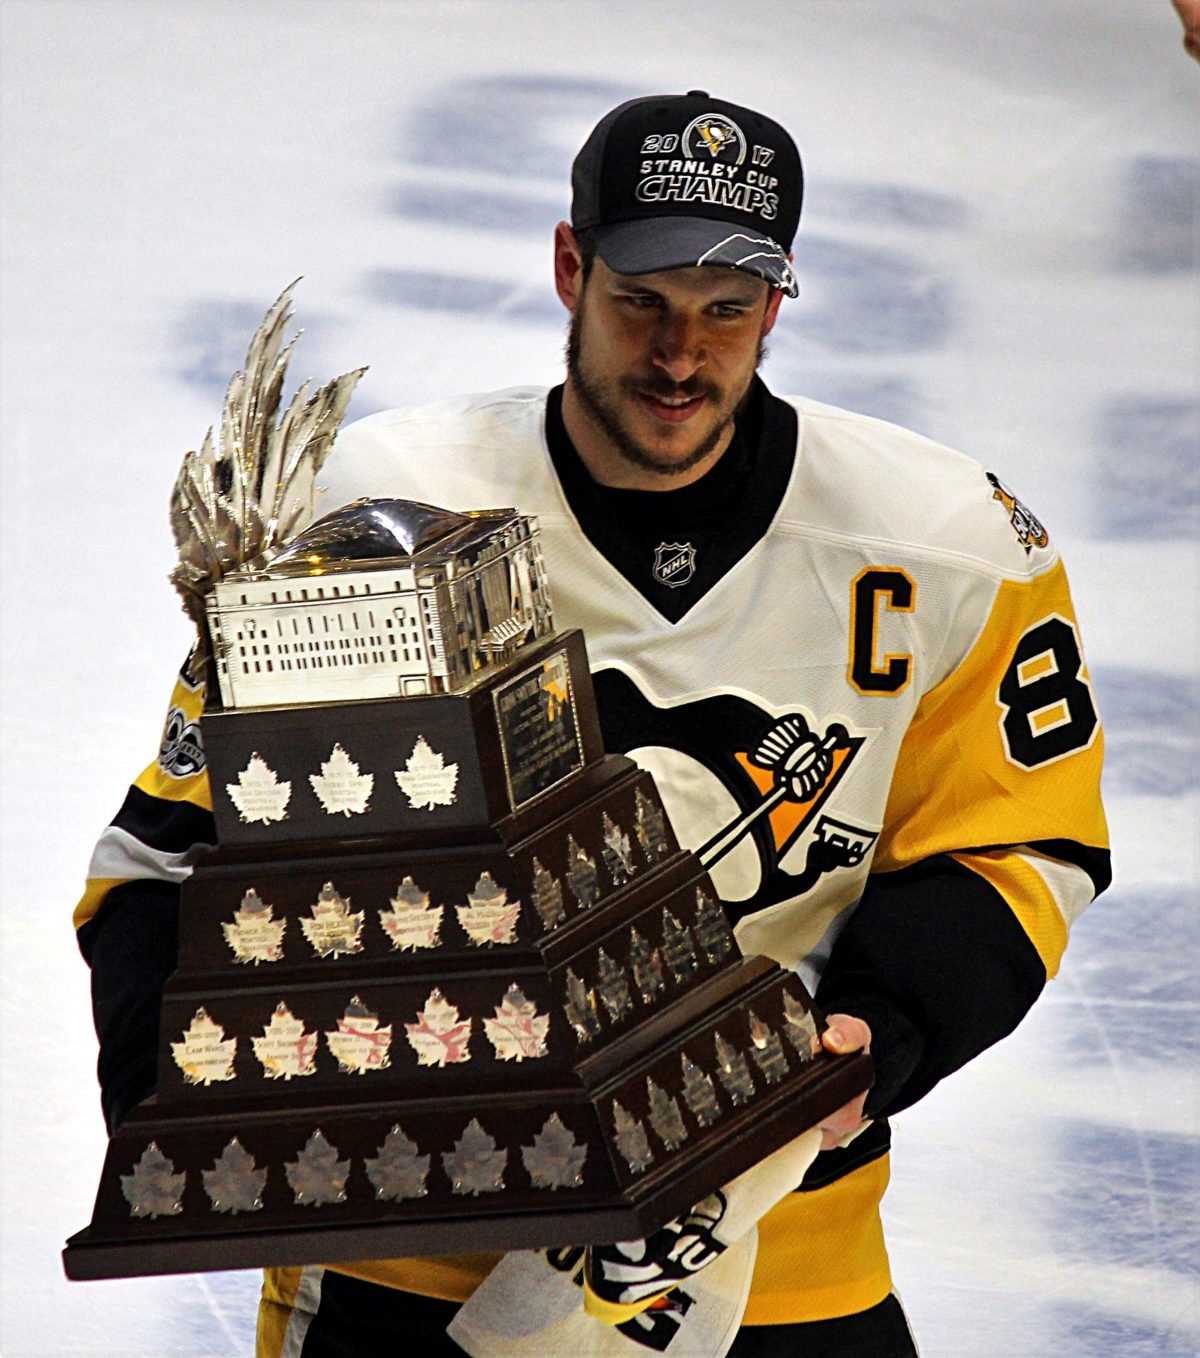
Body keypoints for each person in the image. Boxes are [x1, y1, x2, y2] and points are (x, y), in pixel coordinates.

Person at [76, 92, 1110, 1358]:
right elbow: (171, 848)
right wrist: (172, 1085)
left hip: (779, 1246)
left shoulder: (947, 546)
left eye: (726, 312)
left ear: (779, 303)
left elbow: (1014, 844)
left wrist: (878, 1028)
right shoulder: (373, 519)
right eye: (643, 303)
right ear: (571, 267)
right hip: (410, 1242)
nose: (682, 354)